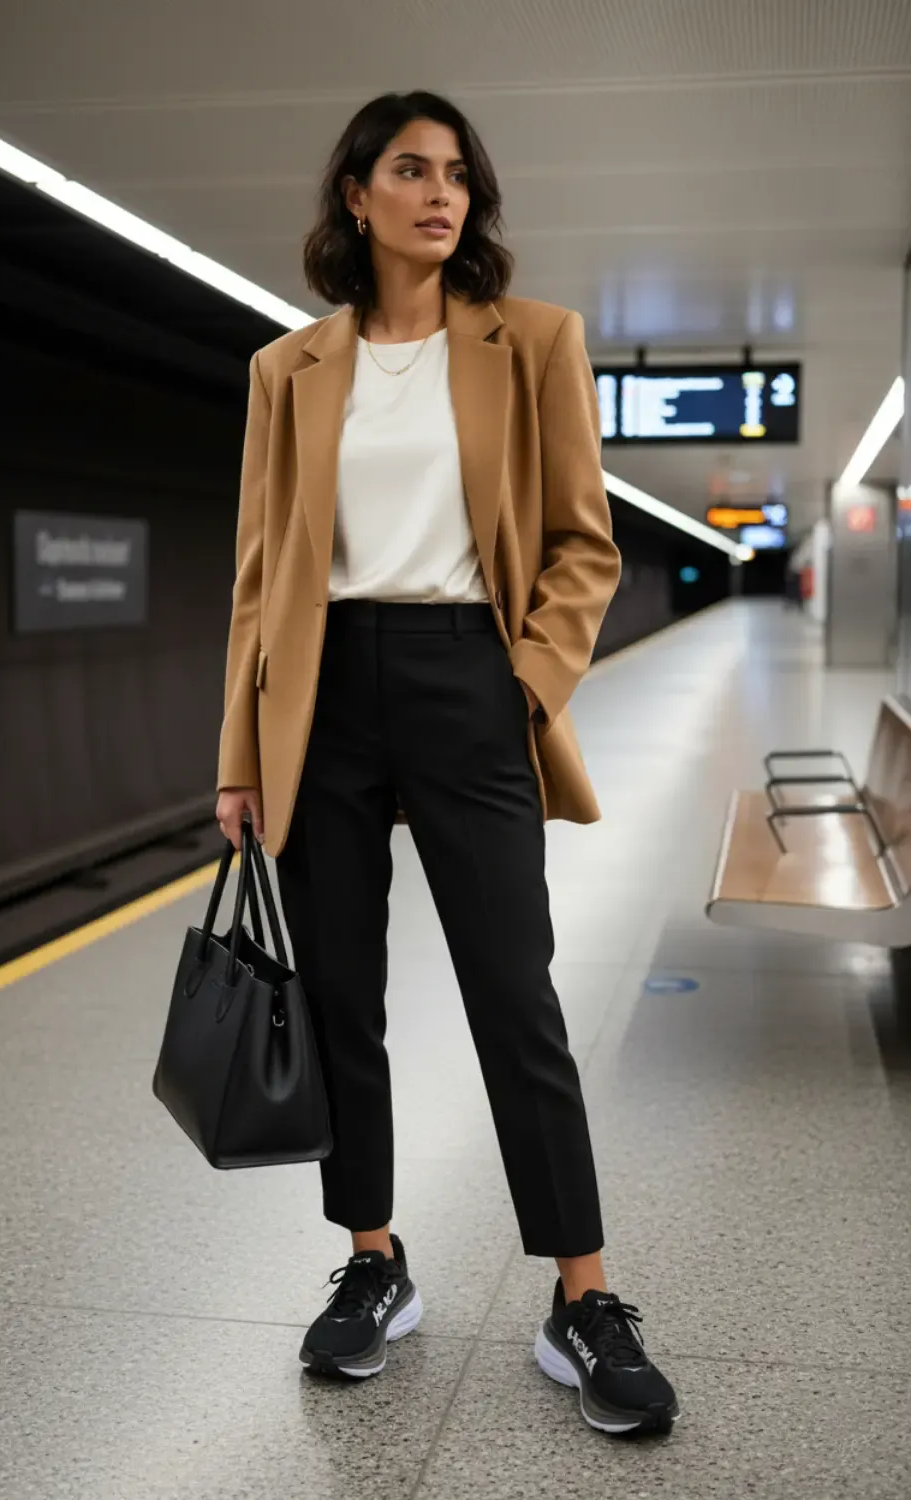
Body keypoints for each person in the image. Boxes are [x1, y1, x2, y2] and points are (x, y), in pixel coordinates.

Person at [215, 91, 679, 1437]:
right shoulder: (288, 368)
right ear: (354, 195)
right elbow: (259, 577)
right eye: (411, 170)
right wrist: (241, 753)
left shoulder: (532, 341)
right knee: (340, 997)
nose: (441, 194)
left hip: (469, 676)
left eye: (458, 175)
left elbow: (584, 541)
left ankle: (583, 1297)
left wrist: (524, 682)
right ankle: (374, 1260)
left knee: (513, 994)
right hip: (322, 698)